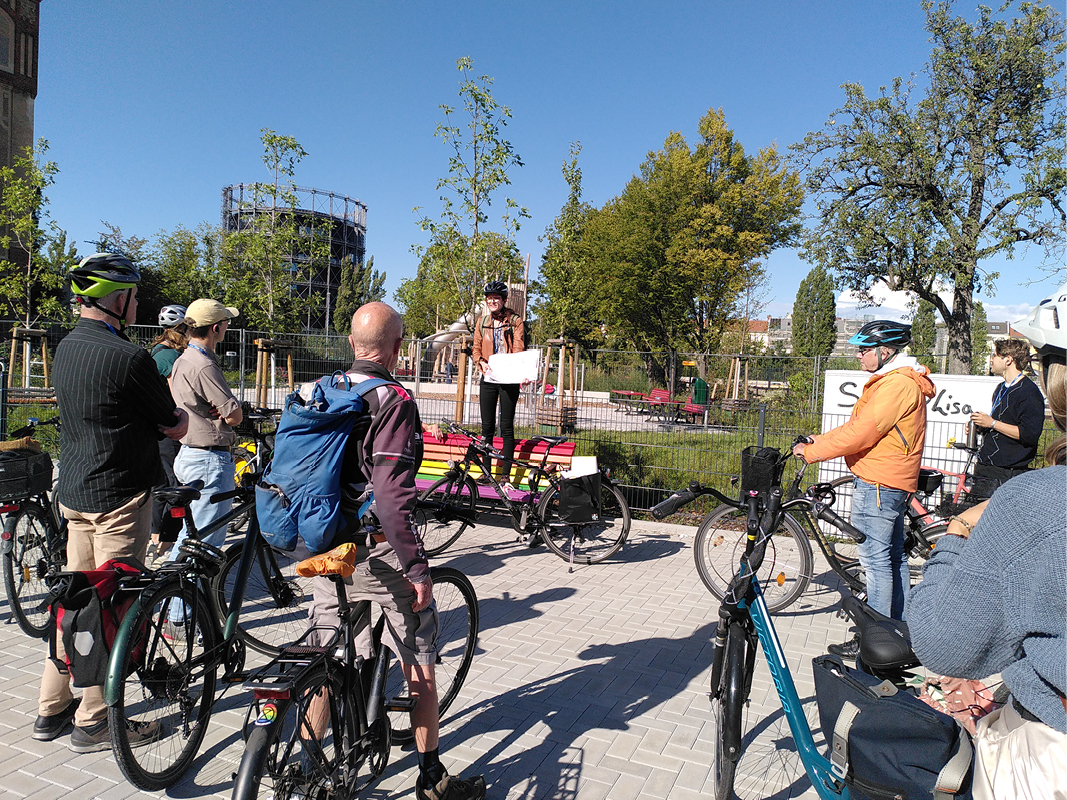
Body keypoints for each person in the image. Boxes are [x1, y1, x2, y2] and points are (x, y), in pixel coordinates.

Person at [304, 302, 486, 800]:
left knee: (330, 657)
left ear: (351, 343)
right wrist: (417, 568)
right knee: (419, 658)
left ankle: (307, 768)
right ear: (398, 348)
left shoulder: (322, 389)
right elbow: (390, 496)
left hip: (324, 548)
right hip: (376, 551)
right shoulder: (394, 400)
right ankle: (431, 779)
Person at [907, 284, 1066, 800]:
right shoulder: (1005, 391)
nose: (993, 360)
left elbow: (945, 644)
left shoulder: (1039, 501)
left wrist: (955, 537)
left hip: (1050, 751)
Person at [33, 254, 188, 753]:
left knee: (73, 600)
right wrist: (180, 419)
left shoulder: (66, 347)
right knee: (109, 608)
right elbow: (172, 422)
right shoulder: (129, 357)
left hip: (76, 492)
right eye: (135, 296)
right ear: (118, 300)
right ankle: (94, 719)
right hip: (119, 498)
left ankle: (51, 707)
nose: (138, 304)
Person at [792, 320, 935, 651]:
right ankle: (898, 633)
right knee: (893, 560)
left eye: (864, 349)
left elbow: (862, 434)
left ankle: (876, 643)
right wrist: (819, 440)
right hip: (889, 481)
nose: (858, 355)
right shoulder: (895, 381)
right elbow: (858, 426)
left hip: (879, 484)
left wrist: (811, 453)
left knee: (875, 564)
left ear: (885, 351)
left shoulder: (896, 385)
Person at [166, 299, 242, 562]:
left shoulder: (183, 359)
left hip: (190, 453)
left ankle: (172, 585)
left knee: (191, 536)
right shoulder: (205, 365)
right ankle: (179, 589)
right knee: (204, 544)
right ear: (216, 328)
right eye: (226, 323)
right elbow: (234, 416)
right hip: (209, 459)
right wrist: (227, 410)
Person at [969, 337, 1046, 488]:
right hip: (986, 466)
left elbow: (1028, 435)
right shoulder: (1000, 388)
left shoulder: (1029, 392)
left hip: (1007, 473)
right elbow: (1000, 423)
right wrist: (980, 425)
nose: (991, 359)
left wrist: (992, 423)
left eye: (995, 355)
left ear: (1008, 360)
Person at [472, 280, 526, 487]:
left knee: (506, 427)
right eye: (489, 298)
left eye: (496, 298)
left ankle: (505, 475)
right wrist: (480, 362)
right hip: (489, 377)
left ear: (504, 300)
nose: (492, 301)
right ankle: (486, 472)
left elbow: (519, 347)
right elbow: (476, 348)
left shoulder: (515, 321)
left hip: (509, 378)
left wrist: (519, 370)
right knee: (487, 427)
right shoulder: (482, 321)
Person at [148, 304, 188, 562]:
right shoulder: (172, 357)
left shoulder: (155, 351)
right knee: (176, 485)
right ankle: (168, 541)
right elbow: (178, 396)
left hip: (155, 427)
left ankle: (155, 538)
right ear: (181, 328)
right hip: (171, 428)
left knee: (161, 484)